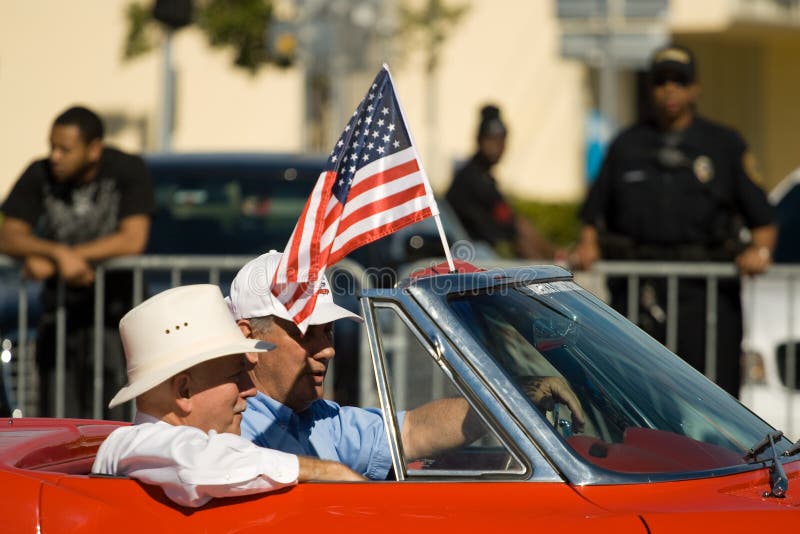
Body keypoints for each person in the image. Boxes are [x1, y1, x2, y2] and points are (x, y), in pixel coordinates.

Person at [226, 251, 585, 480]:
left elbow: (412, 431)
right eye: (307, 334)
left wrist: (517, 396)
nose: (327, 350)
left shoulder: (319, 420)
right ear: (248, 339)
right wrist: (328, 474)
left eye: (329, 332)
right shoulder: (220, 424)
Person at [571, 44, 777, 398]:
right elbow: (592, 217)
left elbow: (763, 221)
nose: (670, 89)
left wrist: (759, 252)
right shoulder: (626, 145)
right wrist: (586, 246)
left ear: (695, 88)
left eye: (679, 81)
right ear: (650, 88)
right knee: (636, 398)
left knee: (714, 401)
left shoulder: (723, 145)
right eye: (661, 81)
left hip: (707, 299)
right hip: (640, 295)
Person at [92, 284, 362, 508]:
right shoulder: (138, 444)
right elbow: (198, 462)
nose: (250, 389)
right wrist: (327, 472)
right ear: (184, 391)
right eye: (236, 376)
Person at [0, 106, 156, 419]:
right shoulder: (40, 172)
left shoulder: (127, 169)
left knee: (116, 419)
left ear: (94, 149)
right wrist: (58, 255)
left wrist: (69, 258)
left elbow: (132, 239)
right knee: (59, 416)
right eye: (52, 146)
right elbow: (8, 235)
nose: (55, 156)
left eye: (65, 149)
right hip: (60, 315)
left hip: (117, 317)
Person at [445, 104, 557, 260]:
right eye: (491, 139)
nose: (497, 146)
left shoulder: (481, 176)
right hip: (471, 257)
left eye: (502, 140)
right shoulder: (473, 179)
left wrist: (553, 256)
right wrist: (550, 264)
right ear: (479, 140)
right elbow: (515, 230)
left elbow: (513, 223)